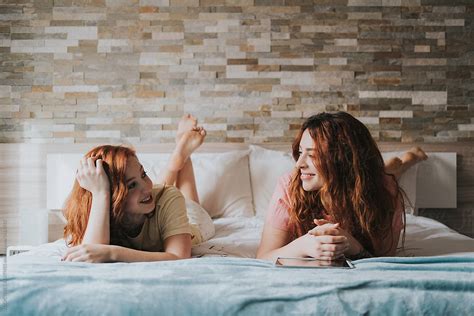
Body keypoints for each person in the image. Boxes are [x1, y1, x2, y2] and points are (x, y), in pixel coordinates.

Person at [257, 112, 427, 262]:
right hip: (358, 179)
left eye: (313, 155)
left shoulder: (385, 189)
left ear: (342, 159)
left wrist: (354, 246)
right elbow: (264, 257)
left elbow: (385, 260)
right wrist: (301, 247)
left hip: (366, 181)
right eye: (300, 152)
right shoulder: (289, 186)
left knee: (389, 172)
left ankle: (409, 159)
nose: (299, 164)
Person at [62, 115, 214, 263]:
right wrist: (100, 193)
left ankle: (181, 157)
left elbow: (179, 256)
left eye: (144, 174)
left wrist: (113, 253)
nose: (147, 185)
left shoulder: (169, 197)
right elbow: (91, 255)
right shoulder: (95, 204)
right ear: (111, 195)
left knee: (173, 197)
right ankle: (179, 154)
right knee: (152, 193)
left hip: (192, 220)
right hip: (153, 204)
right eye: (131, 185)